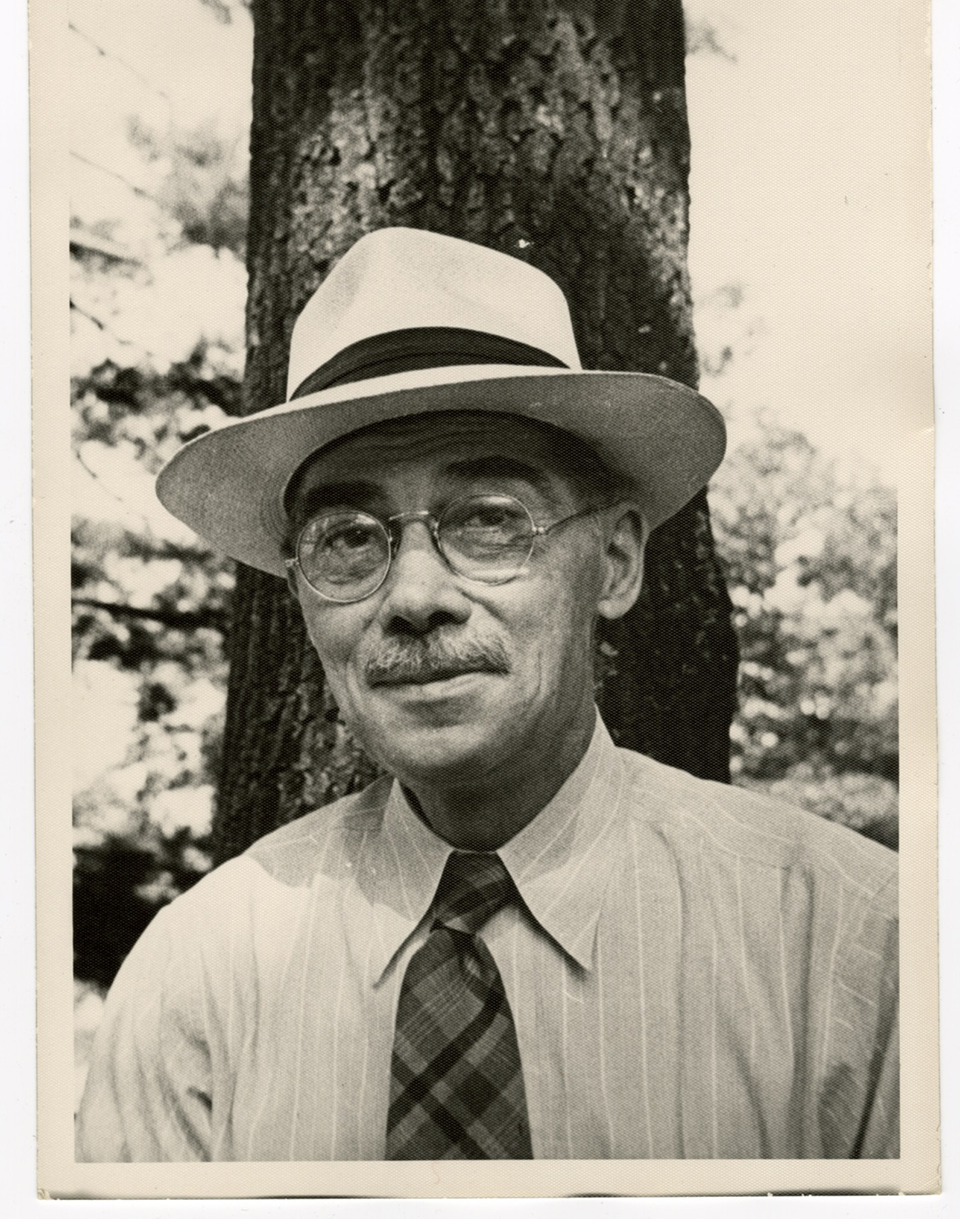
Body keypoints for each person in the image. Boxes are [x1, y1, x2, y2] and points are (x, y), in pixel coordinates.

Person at [76, 227, 898, 1162]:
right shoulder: (196, 977)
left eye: (490, 521)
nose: (416, 597)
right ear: (300, 595)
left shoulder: (852, 948)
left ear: (615, 561)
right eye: (349, 538)